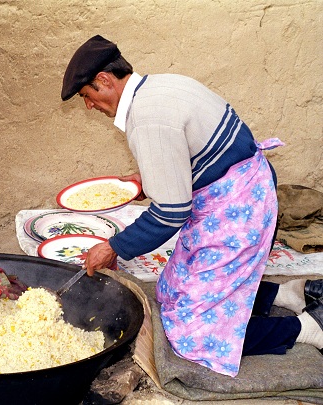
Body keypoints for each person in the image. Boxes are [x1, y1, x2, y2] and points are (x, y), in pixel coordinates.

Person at [60, 35, 323, 377]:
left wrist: (114, 247)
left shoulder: (147, 121)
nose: (89, 106)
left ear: (105, 81)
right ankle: (286, 294)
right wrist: (148, 179)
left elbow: (170, 214)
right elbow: (190, 152)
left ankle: (307, 329)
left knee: (193, 333)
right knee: (172, 291)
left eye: (87, 96)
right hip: (241, 189)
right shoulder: (160, 86)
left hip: (241, 210)